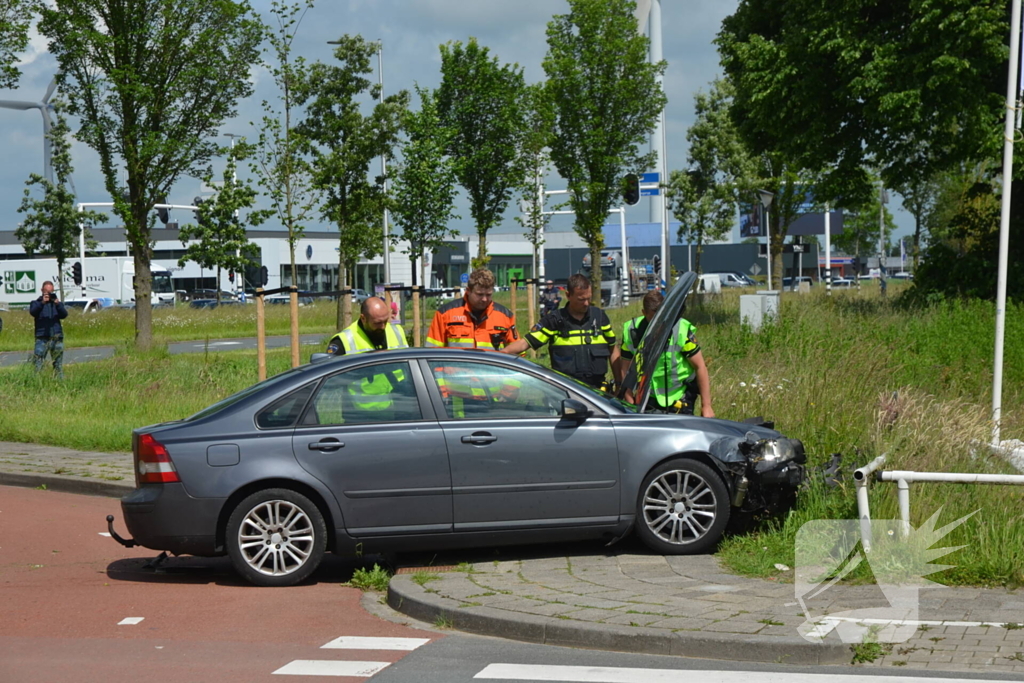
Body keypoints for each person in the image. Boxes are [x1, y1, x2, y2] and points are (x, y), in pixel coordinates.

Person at [502, 273, 619, 389]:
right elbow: (525, 343)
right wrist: (501, 354)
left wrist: (619, 384)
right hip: (566, 390)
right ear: (568, 295)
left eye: (589, 298)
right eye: (581, 299)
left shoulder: (599, 317)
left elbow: (613, 349)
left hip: (598, 391)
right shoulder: (554, 320)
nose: (586, 303)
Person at [615, 290, 714, 417]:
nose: (659, 324)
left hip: (680, 396)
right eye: (654, 319)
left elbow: (700, 366)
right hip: (647, 398)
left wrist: (706, 406)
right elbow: (625, 369)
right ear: (644, 313)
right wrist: (629, 398)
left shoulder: (681, 328)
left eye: (662, 317)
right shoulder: (632, 330)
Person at [426, 268, 518, 351]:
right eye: (479, 294)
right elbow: (433, 352)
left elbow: (517, 352)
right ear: (468, 291)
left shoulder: (505, 316)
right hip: (457, 365)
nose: (484, 299)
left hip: (491, 365)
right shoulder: (445, 314)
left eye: (488, 295)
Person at [326, 296, 408, 355]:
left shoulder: (397, 331)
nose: (383, 326)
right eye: (377, 323)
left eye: (385, 321)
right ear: (363, 319)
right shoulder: (343, 341)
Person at [29, 280, 68, 379]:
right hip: (42, 337)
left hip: (56, 337)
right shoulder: (36, 303)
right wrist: (42, 302)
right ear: (42, 290)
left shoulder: (57, 304)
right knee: (38, 363)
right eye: (47, 292)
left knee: (58, 364)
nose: (49, 294)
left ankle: (59, 382)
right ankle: (38, 382)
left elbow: (64, 315)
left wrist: (57, 304)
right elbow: (33, 312)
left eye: (51, 292)